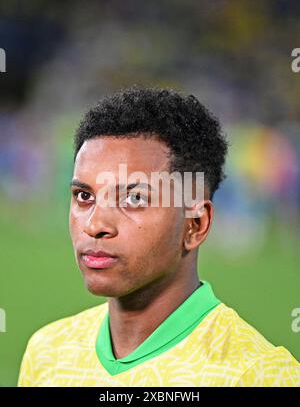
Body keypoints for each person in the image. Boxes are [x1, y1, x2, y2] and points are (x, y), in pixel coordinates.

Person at [18, 86, 300, 386]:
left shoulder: (260, 375)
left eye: (134, 199)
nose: (95, 224)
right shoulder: (47, 353)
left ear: (195, 224)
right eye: (84, 196)